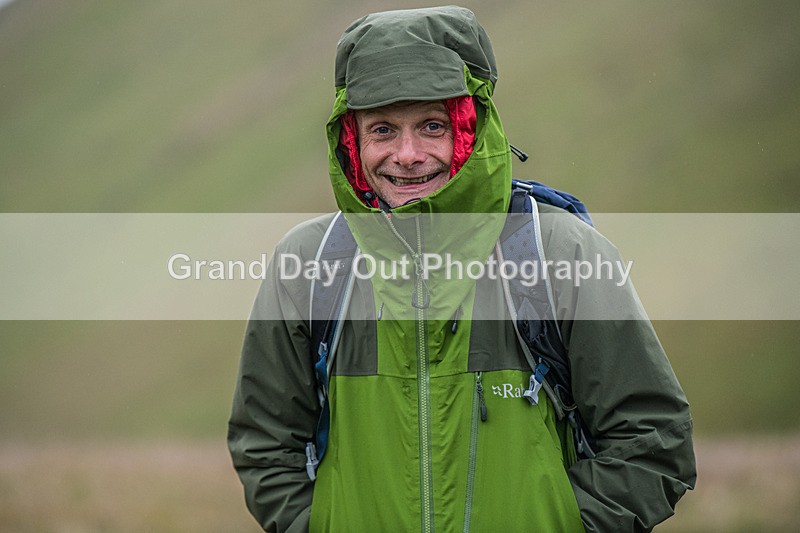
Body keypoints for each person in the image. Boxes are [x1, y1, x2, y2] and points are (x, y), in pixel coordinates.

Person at [228, 6, 696, 532]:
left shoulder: (560, 253)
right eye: (382, 129)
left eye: (432, 125)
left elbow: (653, 440)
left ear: (472, 130)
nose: (406, 155)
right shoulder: (310, 264)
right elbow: (265, 445)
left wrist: (560, 525)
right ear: (354, 143)